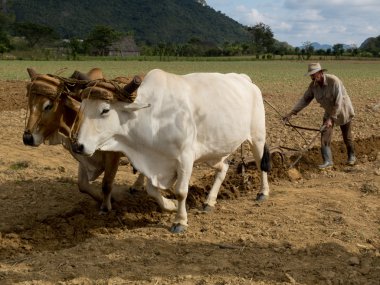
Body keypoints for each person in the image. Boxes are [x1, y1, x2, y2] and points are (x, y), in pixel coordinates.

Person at [283, 62, 356, 169]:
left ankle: (352, 156)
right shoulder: (313, 86)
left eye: (314, 74)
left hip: (343, 110)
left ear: (321, 72)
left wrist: (331, 119)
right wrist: (291, 113)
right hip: (329, 111)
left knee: (347, 137)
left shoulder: (334, 81)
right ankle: (328, 161)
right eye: (311, 75)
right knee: (324, 135)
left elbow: (339, 101)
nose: (312, 77)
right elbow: (305, 99)